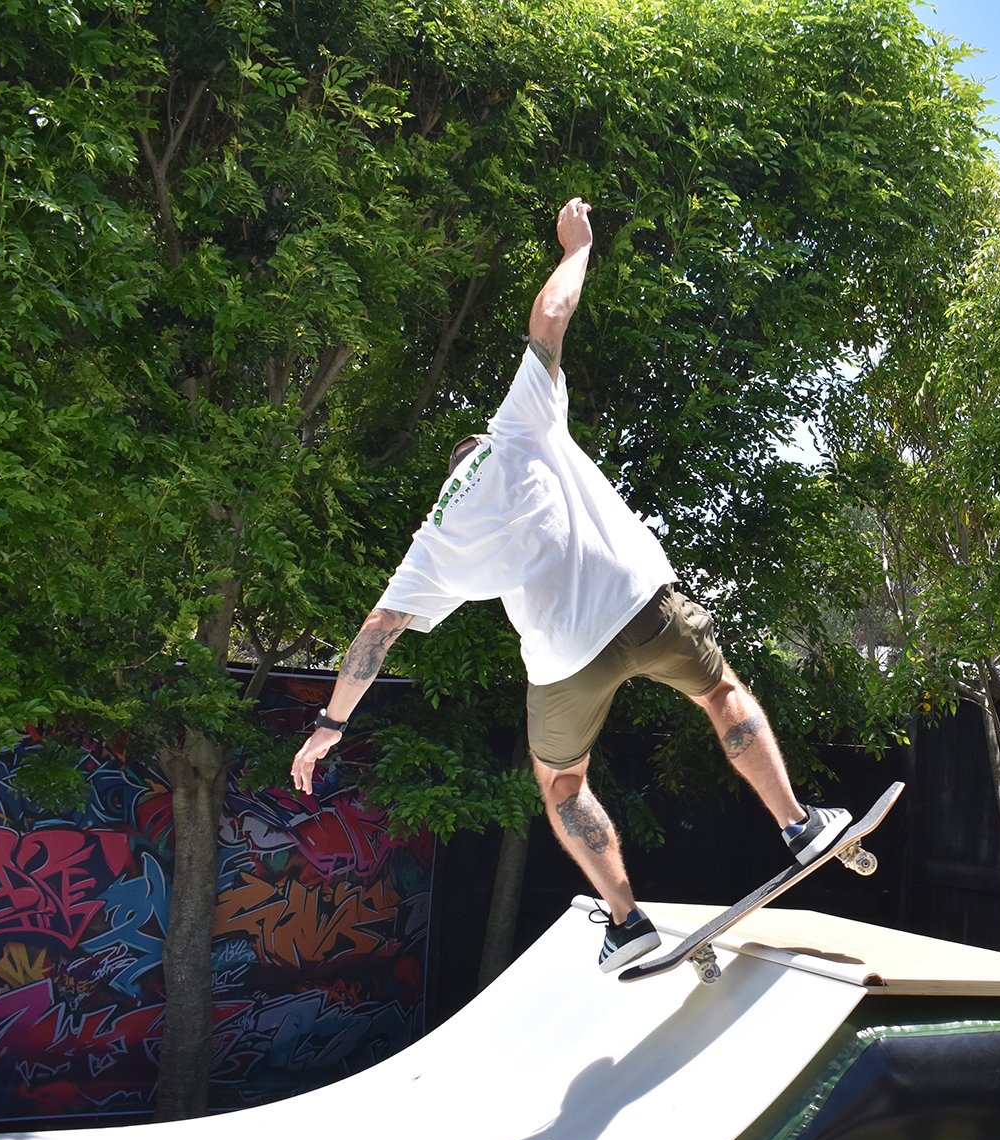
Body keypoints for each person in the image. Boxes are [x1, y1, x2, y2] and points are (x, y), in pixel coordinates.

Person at [290, 197, 850, 973]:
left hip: (563, 660)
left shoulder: (436, 537)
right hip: (643, 602)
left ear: (449, 475)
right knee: (720, 690)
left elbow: (377, 632)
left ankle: (627, 919)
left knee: (560, 782)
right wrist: (577, 246)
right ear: (477, 443)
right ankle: (798, 825)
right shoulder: (516, 428)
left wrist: (330, 722)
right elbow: (551, 316)